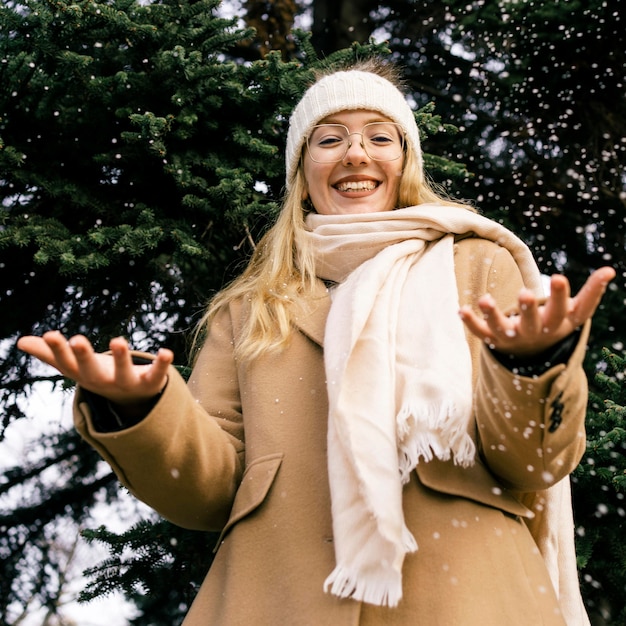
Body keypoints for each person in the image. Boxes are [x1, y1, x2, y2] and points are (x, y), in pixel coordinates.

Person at [18, 58, 615, 626]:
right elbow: (208, 490)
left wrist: (532, 364)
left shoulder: (478, 266)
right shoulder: (250, 305)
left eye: (380, 137)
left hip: (468, 595)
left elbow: (533, 461)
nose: (356, 152)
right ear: (302, 174)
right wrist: (141, 407)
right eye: (329, 139)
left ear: (406, 161)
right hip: (278, 596)